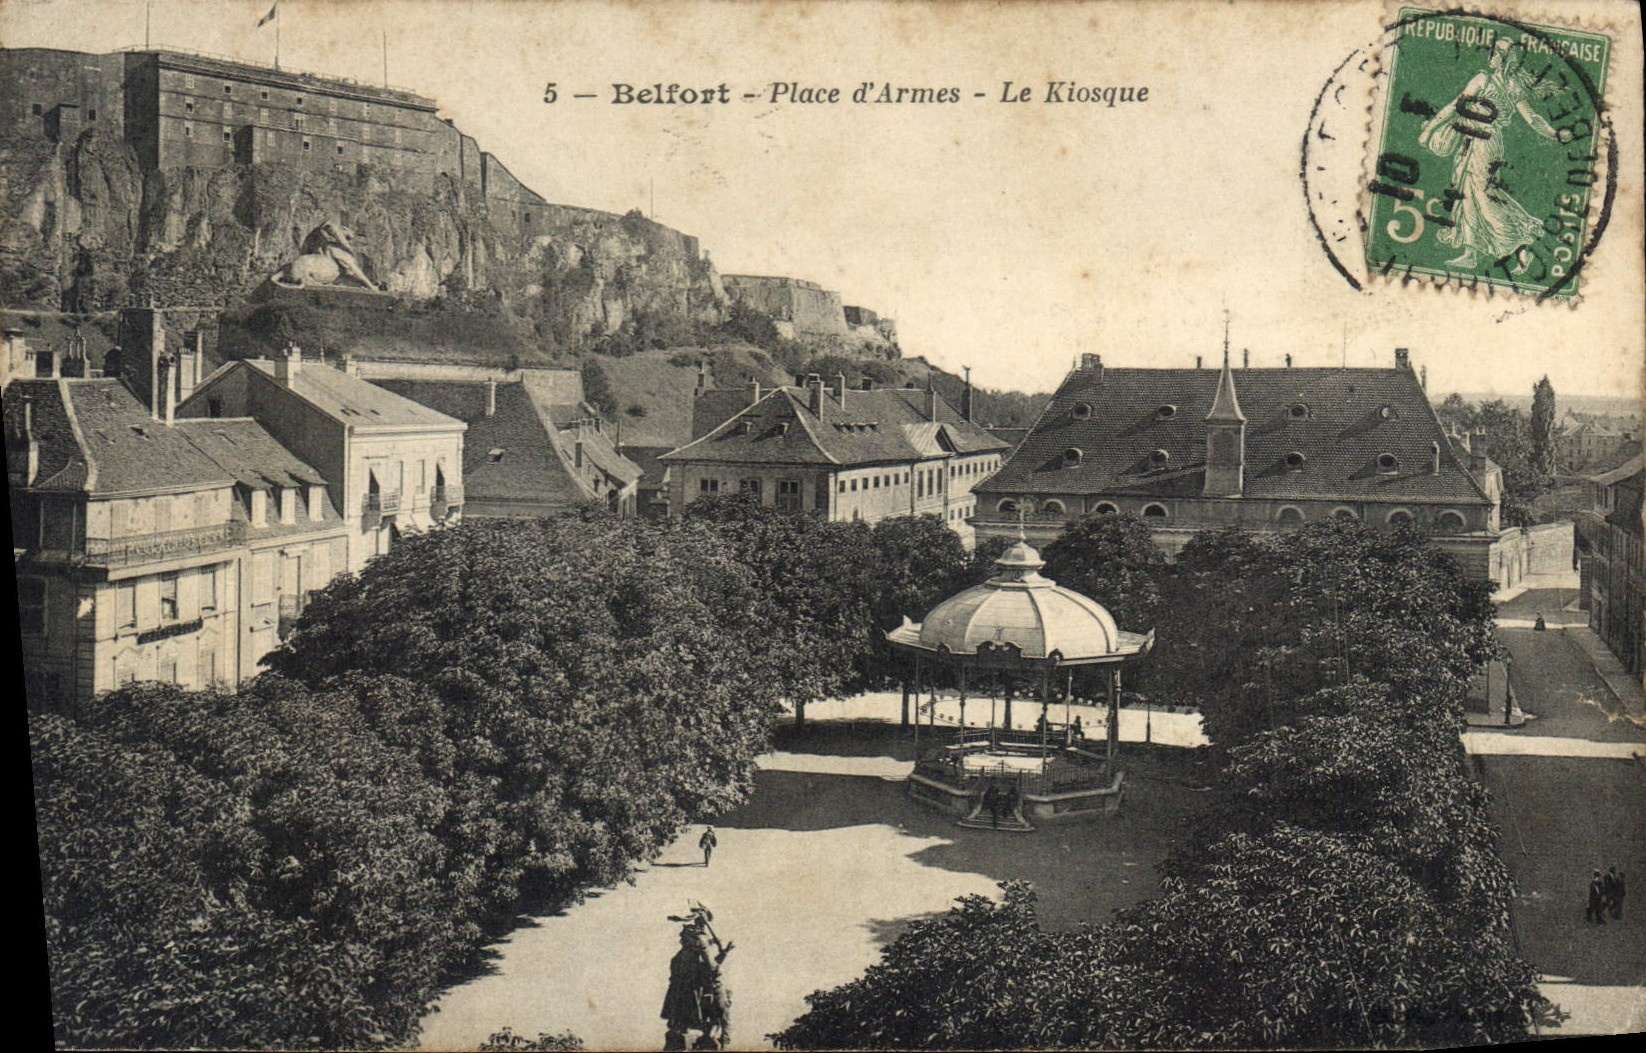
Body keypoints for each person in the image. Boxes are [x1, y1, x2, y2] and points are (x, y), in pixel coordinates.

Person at [1419, 39, 1562, 271]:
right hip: (1485, 142)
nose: (1491, 56)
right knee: (1471, 193)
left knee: (1482, 198)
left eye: (1495, 53)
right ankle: (1472, 252)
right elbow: (1533, 119)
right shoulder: (1514, 88)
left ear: (1502, 58)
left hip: (1481, 144)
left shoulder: (1483, 80)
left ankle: (1518, 242)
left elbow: (1456, 106)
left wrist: (1427, 131)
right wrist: (1554, 134)